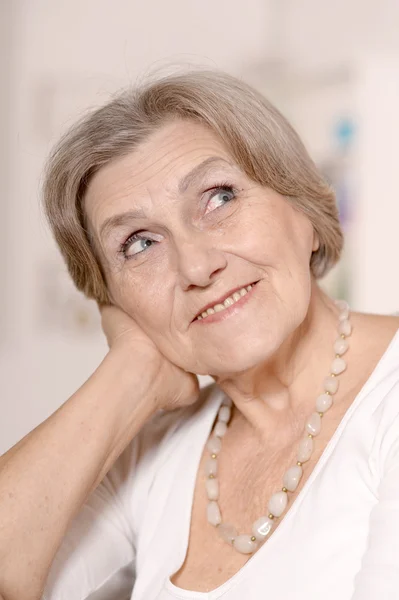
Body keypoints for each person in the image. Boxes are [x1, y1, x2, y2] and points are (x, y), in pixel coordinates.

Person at [0, 70, 398, 600]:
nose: (195, 266)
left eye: (219, 198)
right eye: (139, 244)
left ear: (303, 207)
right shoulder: (155, 449)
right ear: (114, 300)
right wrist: (131, 371)